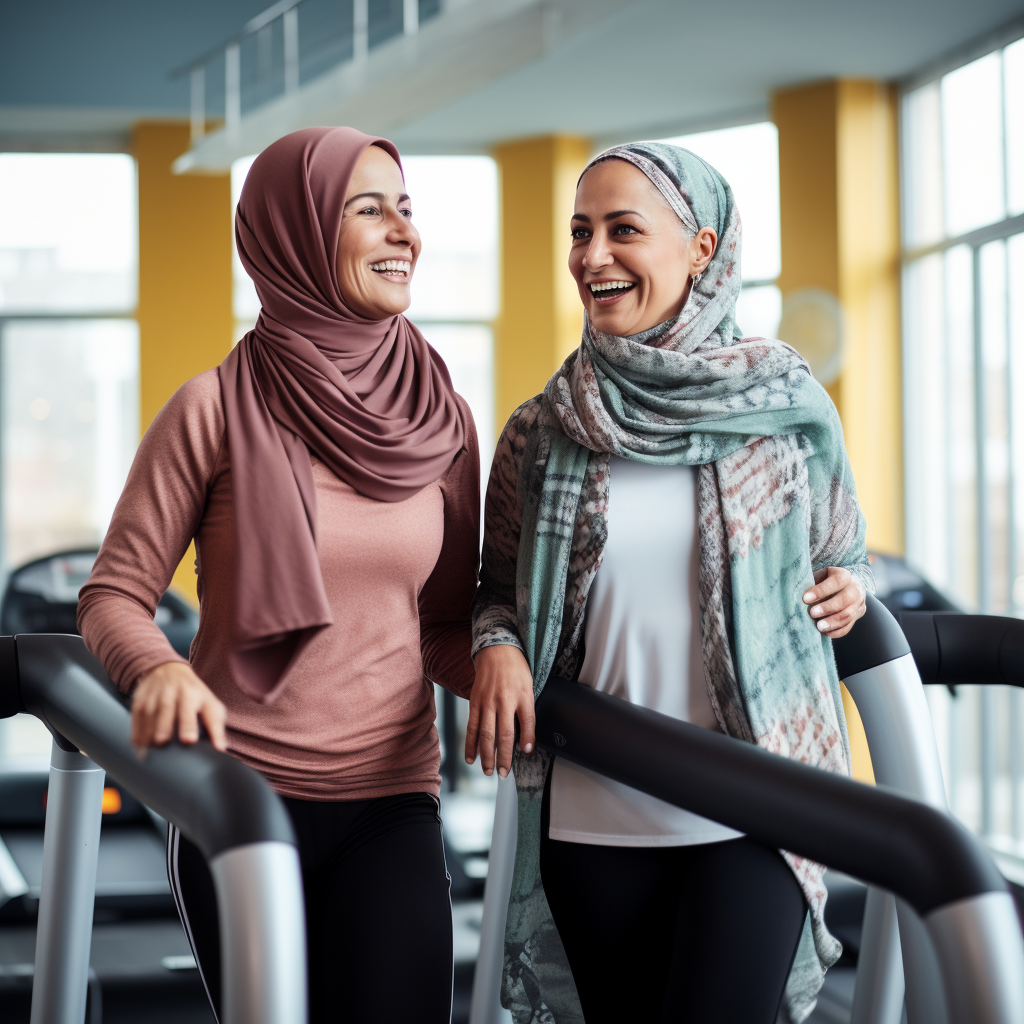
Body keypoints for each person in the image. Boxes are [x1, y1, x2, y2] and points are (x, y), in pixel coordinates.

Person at [78, 126, 479, 1024]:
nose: (404, 232)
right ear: (292, 232)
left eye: (407, 208)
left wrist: (508, 666)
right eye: (369, 209)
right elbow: (113, 593)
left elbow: (446, 625)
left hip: (394, 799)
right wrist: (159, 668)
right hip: (238, 796)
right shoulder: (212, 408)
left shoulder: (443, 421)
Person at [466, 142, 872, 1024]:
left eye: (623, 230)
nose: (592, 257)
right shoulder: (542, 431)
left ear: (702, 248)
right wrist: (496, 645)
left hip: (757, 807)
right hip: (592, 816)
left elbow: (845, 551)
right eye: (580, 233)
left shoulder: (782, 405)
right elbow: (496, 593)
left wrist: (851, 584)